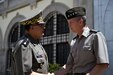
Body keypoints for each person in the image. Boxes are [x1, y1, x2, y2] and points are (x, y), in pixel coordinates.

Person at [54, 7, 109, 75]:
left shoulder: (95, 36)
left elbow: (103, 64)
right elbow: (68, 66)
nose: (69, 26)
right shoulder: (74, 42)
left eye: (71, 23)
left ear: (80, 22)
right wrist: (54, 74)